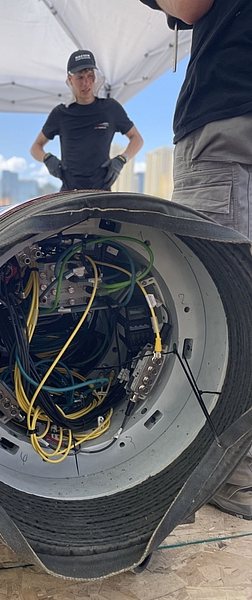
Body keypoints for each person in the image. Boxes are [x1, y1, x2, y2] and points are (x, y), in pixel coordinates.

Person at [140, 0, 252, 519]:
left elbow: (190, 4)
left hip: (227, 123)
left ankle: (228, 471)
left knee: (219, 313)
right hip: (235, 126)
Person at [30, 49, 143, 191]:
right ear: (70, 79)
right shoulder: (60, 113)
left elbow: (137, 139)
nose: (86, 83)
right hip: (70, 194)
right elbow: (35, 148)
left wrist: (121, 159)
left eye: (90, 76)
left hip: (101, 193)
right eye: (80, 77)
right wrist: (47, 159)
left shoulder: (110, 108)